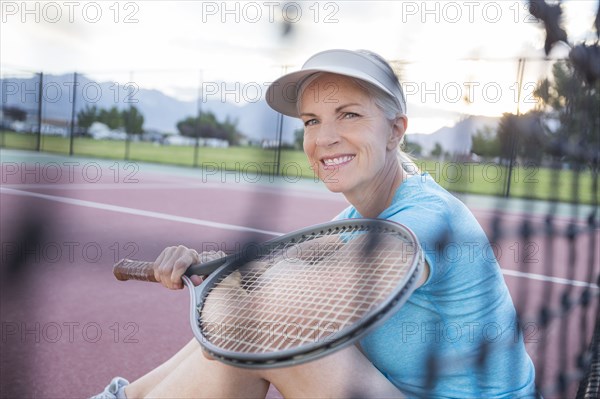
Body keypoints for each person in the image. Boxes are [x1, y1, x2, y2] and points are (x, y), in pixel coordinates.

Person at [93, 49, 537, 398]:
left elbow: (278, 304)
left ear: (396, 130)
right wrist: (206, 266)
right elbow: (267, 271)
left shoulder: (427, 221)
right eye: (311, 121)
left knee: (268, 332)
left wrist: (230, 283)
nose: (324, 138)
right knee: (250, 325)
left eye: (349, 114)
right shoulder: (351, 222)